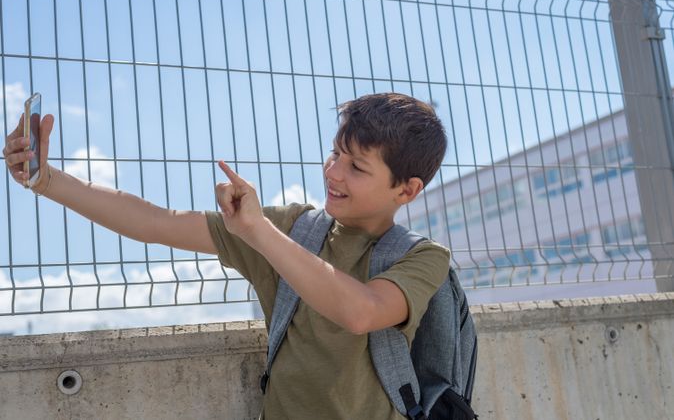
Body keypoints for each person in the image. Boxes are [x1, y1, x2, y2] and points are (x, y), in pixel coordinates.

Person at [3, 92, 449, 419]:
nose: (333, 171)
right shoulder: (296, 228)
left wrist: (257, 231)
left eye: (357, 167)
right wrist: (48, 182)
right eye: (335, 153)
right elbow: (155, 223)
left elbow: (360, 311)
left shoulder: (422, 258)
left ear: (406, 189)